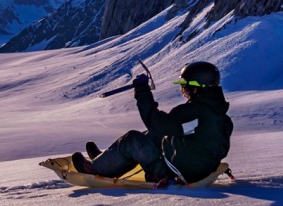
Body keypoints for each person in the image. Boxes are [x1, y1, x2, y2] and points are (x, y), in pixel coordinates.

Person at [72, 61, 233, 185]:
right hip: (195, 169)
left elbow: (155, 122)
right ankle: (107, 159)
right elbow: (171, 131)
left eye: (185, 86)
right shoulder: (218, 115)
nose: (183, 90)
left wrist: (142, 90)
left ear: (196, 88)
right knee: (154, 135)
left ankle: (95, 168)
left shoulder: (193, 111)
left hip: (175, 172)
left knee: (132, 140)